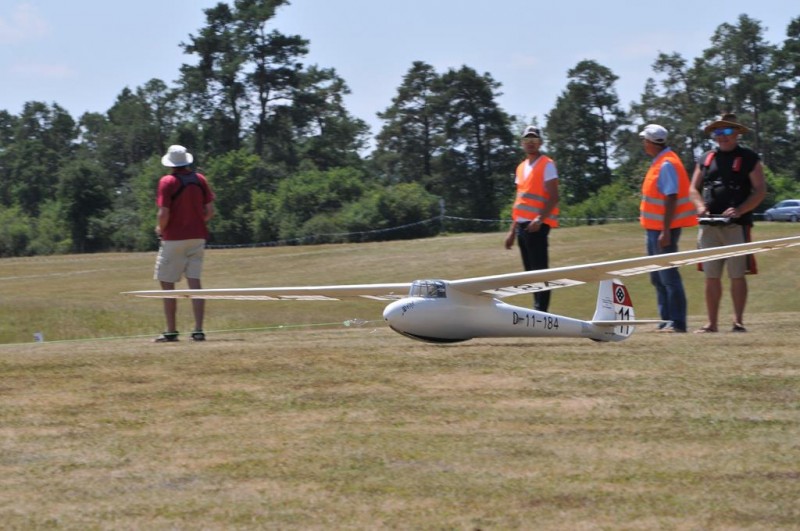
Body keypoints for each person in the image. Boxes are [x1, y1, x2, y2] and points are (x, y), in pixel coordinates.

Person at [689, 113, 766, 333]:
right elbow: (692, 188)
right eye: (718, 131)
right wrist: (700, 206)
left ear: (737, 133)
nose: (722, 136)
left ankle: (738, 322)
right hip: (708, 226)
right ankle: (711, 324)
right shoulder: (706, 158)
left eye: (728, 131)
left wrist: (740, 210)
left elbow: (760, 190)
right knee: (711, 276)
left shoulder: (749, 158)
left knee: (737, 275)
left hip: (736, 226)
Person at [638, 124, 698, 333]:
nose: (643, 144)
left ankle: (677, 322)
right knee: (657, 277)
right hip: (654, 229)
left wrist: (665, 231)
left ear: (651, 143)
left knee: (668, 277)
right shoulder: (661, 161)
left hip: (663, 231)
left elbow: (671, 197)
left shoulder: (666, 164)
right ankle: (665, 321)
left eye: (645, 140)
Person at [153, 145, 216, 342]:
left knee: (168, 284)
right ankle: (198, 330)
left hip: (174, 238)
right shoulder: (200, 179)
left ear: (170, 163)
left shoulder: (167, 181)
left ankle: (171, 331)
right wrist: (197, 222)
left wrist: (160, 229)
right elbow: (210, 211)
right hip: (198, 237)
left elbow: (164, 213)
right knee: (195, 283)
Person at [504, 126, 560, 312]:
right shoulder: (521, 167)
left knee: (540, 271)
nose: (530, 143)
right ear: (522, 143)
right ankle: (537, 309)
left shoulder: (547, 164)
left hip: (537, 225)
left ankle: (541, 311)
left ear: (540, 143)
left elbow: (554, 197)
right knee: (529, 273)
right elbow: (520, 200)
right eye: (527, 140)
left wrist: (539, 219)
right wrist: (512, 231)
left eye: (534, 140)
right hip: (522, 226)